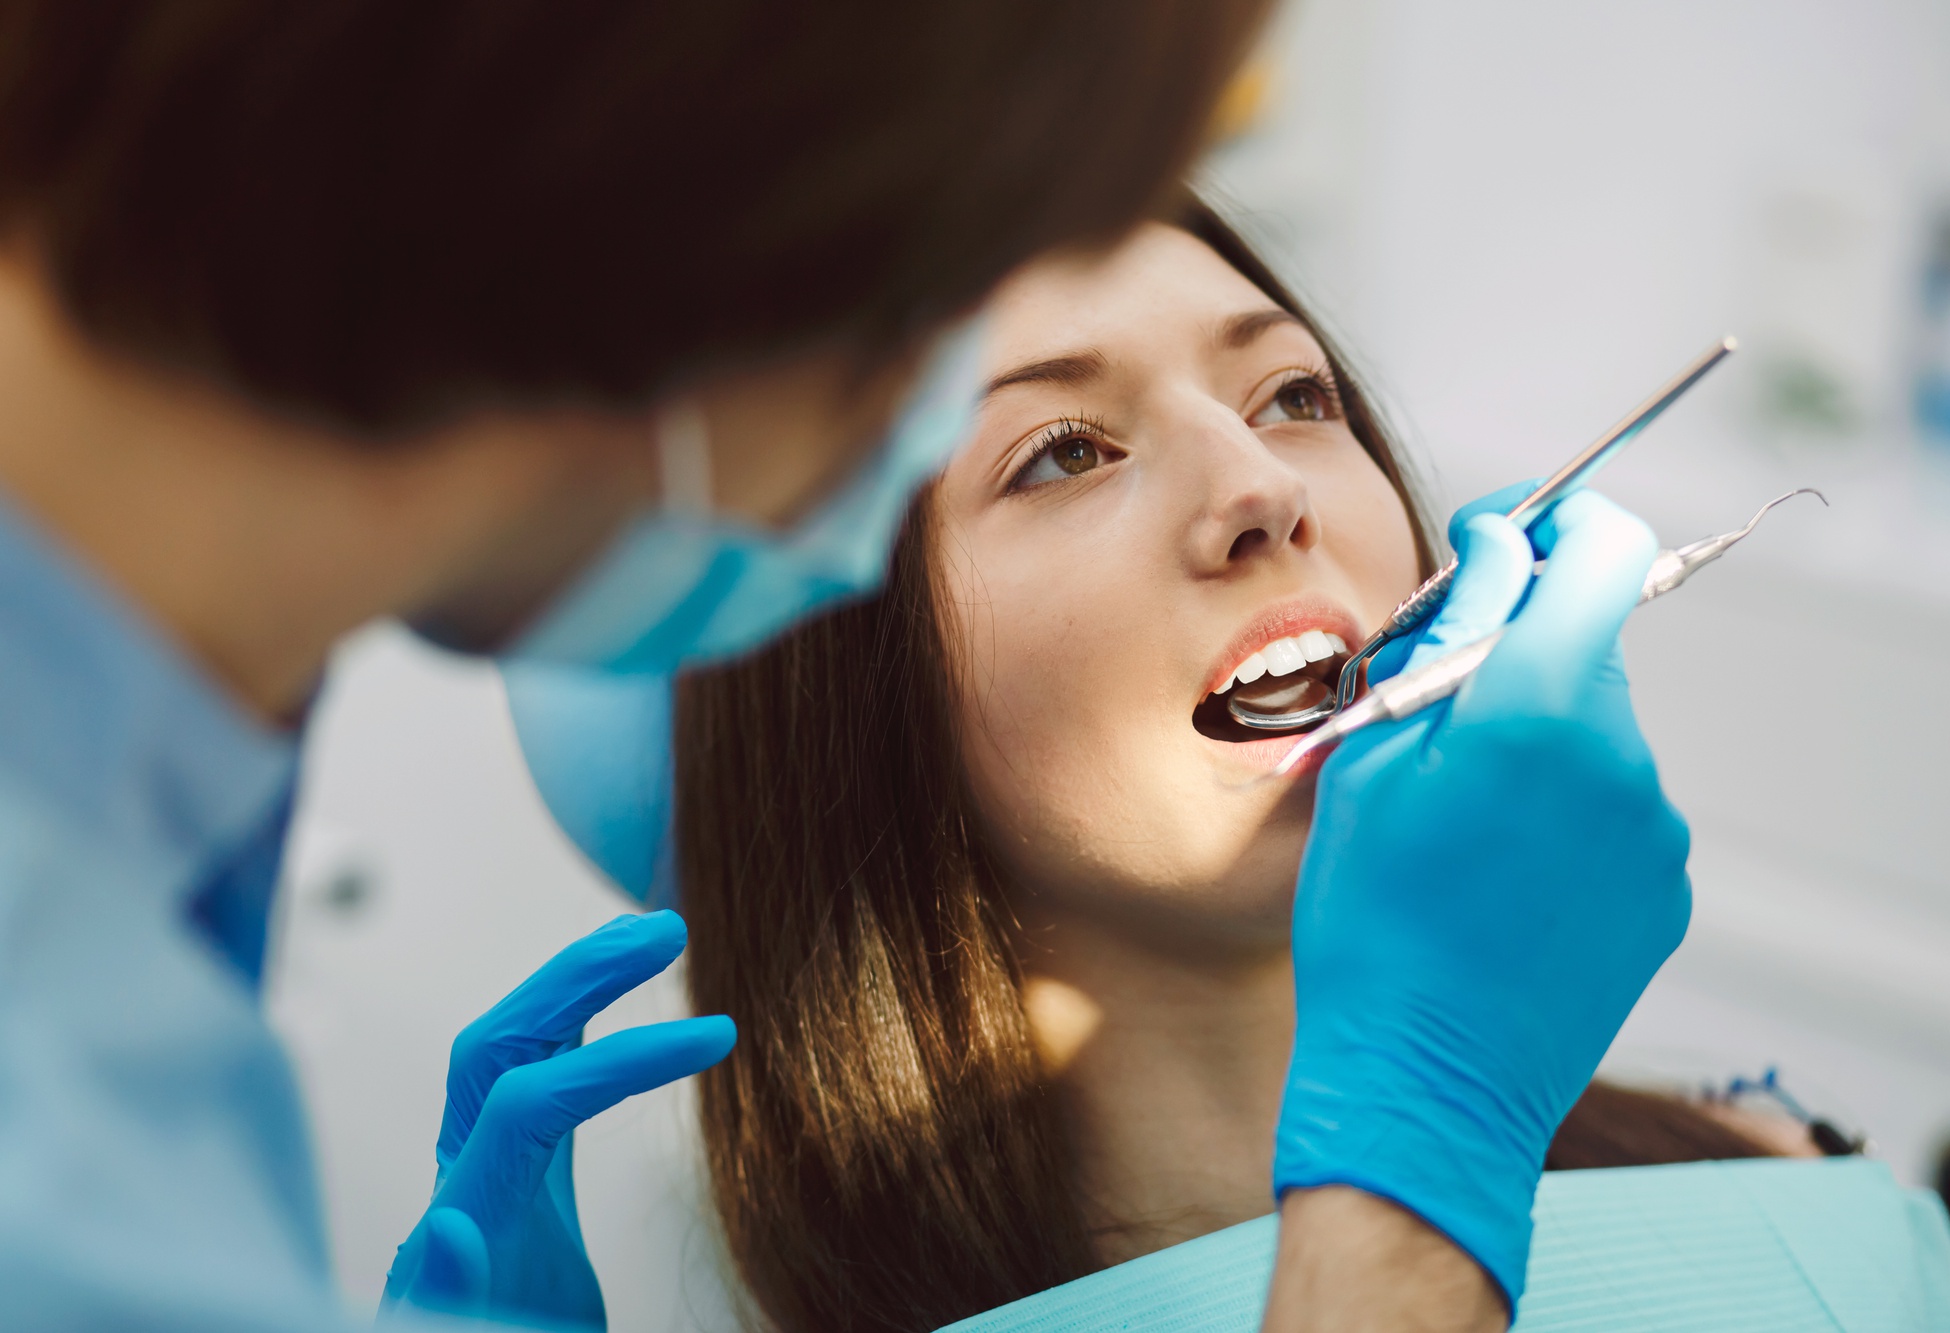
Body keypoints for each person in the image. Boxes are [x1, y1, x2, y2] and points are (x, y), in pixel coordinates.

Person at [0, 3, 1275, 1328]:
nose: (1261, 491)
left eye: (1300, 394)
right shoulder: (55, 1152)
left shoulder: (153, 807)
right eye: (939, 339)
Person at [501, 198, 1699, 1332]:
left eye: (1290, 393)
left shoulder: (1751, 1154)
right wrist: (1433, 1139)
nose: (1261, 485)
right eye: (1063, 453)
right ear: (845, 717)